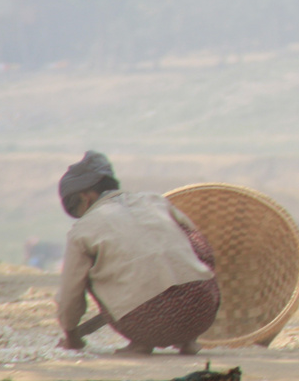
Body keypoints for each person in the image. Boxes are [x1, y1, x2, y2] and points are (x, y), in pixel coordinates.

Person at [55, 151, 221, 356]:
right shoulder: (154, 201)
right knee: (185, 250)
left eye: (74, 208)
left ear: (86, 197)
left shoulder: (82, 231)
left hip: (145, 322)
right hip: (201, 312)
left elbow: (70, 292)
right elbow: (201, 246)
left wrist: (72, 336)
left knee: (87, 271)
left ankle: (140, 343)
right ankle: (188, 341)